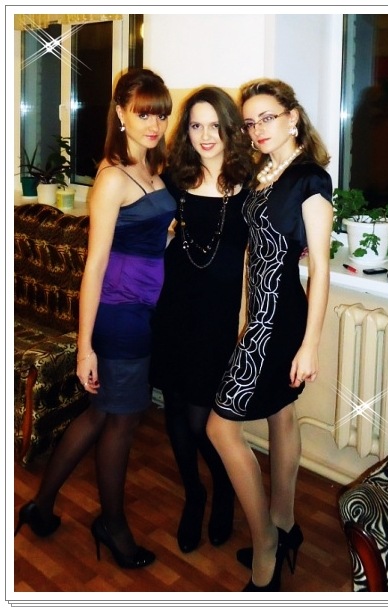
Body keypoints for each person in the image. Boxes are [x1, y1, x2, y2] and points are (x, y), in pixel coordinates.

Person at [14, 68, 176, 569]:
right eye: (144, 113)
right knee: (121, 423)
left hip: (145, 310)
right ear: (121, 113)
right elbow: (95, 265)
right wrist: (85, 347)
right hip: (120, 314)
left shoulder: (152, 166)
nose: (154, 124)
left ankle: (41, 507)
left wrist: (168, 235)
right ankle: (113, 525)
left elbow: (147, 234)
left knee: (100, 413)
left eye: (161, 114)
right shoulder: (111, 178)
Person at [207, 77, 333, 591]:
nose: (258, 128)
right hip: (260, 314)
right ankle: (284, 523)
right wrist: (244, 312)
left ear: (293, 117)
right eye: (250, 121)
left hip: (280, 321)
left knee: (220, 429)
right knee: (281, 413)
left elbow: (319, 268)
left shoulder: (310, 179)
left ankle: (266, 544)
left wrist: (310, 345)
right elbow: (252, 254)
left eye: (268, 117)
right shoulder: (264, 172)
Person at [150, 86, 253, 553]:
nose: (205, 135)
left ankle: (224, 489)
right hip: (173, 309)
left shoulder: (251, 186)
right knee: (175, 408)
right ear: (185, 131)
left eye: (214, 125)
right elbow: (144, 227)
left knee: (206, 419)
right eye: (195, 125)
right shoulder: (174, 180)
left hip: (218, 319)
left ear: (230, 129)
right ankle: (194, 494)